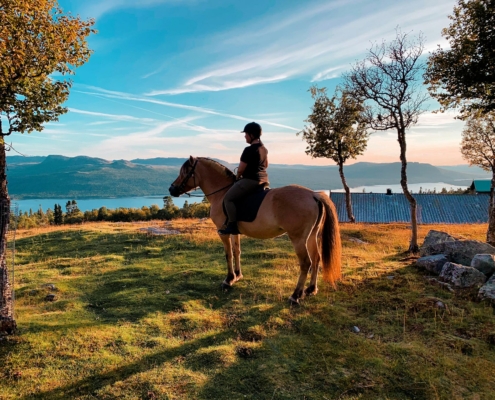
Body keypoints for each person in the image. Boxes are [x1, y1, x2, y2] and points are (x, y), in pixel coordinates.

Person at [218, 122, 269, 235]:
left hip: (250, 181)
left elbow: (240, 169)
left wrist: (237, 177)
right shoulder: (264, 149)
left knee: (228, 199)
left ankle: (232, 225)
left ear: (251, 134)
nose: (245, 136)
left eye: (246, 133)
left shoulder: (248, 150)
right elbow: (265, 165)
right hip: (263, 180)